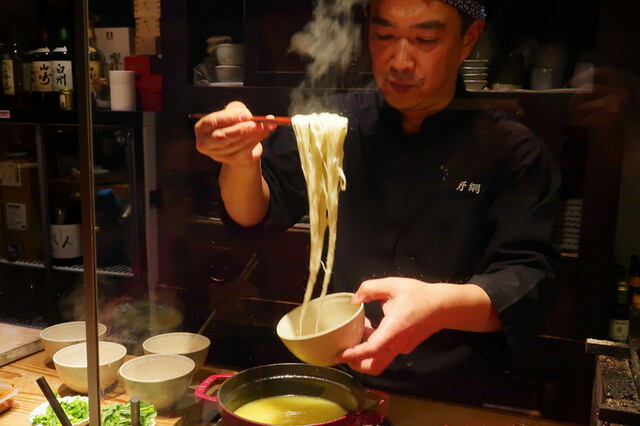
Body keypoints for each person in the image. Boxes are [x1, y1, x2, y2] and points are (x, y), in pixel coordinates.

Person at [195, 0, 561, 405]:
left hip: (448, 393)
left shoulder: (512, 151)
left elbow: (529, 278)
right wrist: (239, 162)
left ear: (467, 40)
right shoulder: (336, 124)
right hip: (336, 381)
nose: (400, 61)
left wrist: (437, 304)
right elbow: (253, 213)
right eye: (384, 36)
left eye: (426, 39)